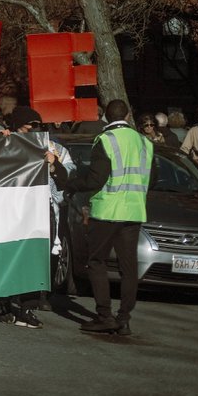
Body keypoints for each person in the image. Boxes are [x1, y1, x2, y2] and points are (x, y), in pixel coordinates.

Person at [65, 99, 156, 336]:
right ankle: (124, 318)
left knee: (97, 262)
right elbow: (152, 179)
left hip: (107, 211)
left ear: (106, 116)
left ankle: (104, 315)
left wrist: (72, 184)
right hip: (134, 211)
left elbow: (96, 179)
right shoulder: (145, 143)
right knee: (128, 268)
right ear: (127, 116)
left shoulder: (105, 140)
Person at [0, 106, 74, 329]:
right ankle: (5, 301)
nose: (32, 131)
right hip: (12, 211)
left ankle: (26, 307)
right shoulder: (8, 142)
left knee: (39, 258)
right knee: (10, 255)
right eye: (27, 127)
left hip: (44, 210)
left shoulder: (55, 148)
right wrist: (0, 143)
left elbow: (69, 175)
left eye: (36, 127)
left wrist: (54, 164)